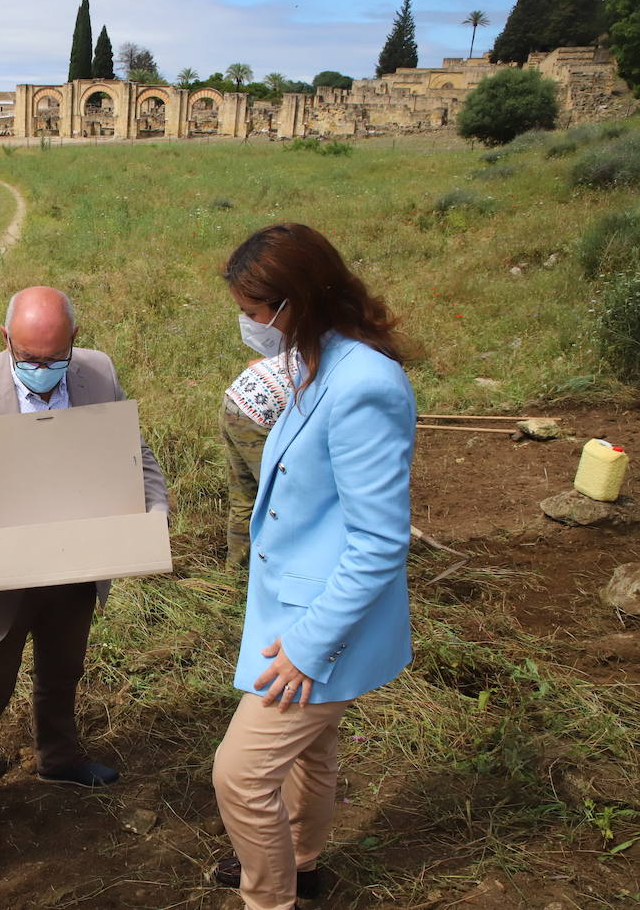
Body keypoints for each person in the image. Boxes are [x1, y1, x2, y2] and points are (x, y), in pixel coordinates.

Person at [209, 223, 415, 910]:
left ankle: (269, 898)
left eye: (252, 312)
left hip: (320, 625)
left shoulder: (363, 386)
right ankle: (303, 863)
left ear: (293, 303)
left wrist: (306, 648)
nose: (247, 325)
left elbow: (380, 542)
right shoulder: (318, 357)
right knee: (313, 754)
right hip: (295, 599)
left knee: (240, 775)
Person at [0, 286, 168, 850]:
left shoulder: (97, 373)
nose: (41, 369)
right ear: (5, 339)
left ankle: (58, 756)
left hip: (76, 562)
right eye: (28, 358)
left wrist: (152, 517)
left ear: (74, 341)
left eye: (54, 359)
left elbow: (135, 454)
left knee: (61, 673)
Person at [221, 352, 297, 569]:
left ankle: (236, 572)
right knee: (275, 500)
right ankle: (273, 572)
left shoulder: (314, 344)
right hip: (257, 414)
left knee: (245, 496)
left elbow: (254, 363)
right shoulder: (337, 364)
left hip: (235, 399)